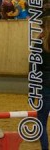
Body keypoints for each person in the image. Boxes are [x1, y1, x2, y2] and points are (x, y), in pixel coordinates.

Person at [29, 16, 50, 150]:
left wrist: (32, 93)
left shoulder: (39, 43)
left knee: (41, 122)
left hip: (45, 88)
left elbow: (33, 69)